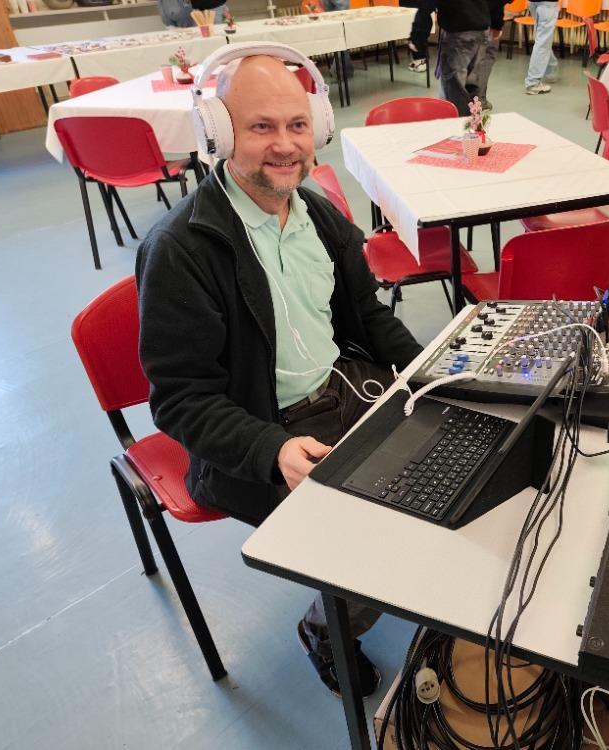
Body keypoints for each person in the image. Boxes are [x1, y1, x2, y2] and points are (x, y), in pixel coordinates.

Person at [136, 50, 423, 697]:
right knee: (377, 541)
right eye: (261, 126)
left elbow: (368, 316)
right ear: (217, 132)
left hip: (343, 389)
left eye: (297, 125)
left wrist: (430, 370)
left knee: (458, 462)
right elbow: (180, 400)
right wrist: (272, 450)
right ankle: (325, 629)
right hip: (259, 435)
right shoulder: (180, 250)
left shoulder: (319, 215)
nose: (285, 145)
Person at [417, 0, 504, 115]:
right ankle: (471, 120)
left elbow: (427, 5)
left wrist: (418, 35)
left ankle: (460, 121)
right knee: (473, 85)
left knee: (454, 88)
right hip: (480, 29)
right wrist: (496, 22)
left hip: (458, 30)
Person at [524, 0, 558, 95]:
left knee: (543, 41)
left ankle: (551, 71)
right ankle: (533, 83)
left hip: (533, 3)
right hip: (547, 4)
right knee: (543, 43)